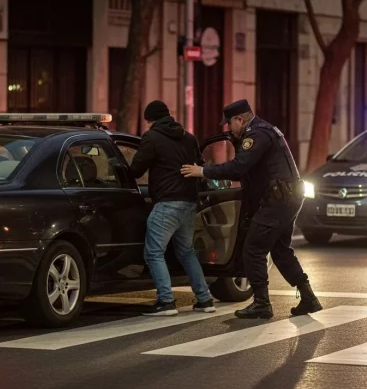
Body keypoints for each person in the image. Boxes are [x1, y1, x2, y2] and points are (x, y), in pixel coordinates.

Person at [181, 99, 322, 319]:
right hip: (286, 198)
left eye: (229, 124)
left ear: (240, 119)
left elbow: (239, 167)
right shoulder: (265, 131)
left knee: (253, 249)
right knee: (280, 250)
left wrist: (203, 172)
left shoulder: (256, 135)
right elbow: (246, 172)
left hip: (277, 201)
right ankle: (308, 297)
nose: (229, 129)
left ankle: (262, 304)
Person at [127, 100, 215, 316]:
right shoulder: (189, 137)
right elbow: (199, 165)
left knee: (153, 253)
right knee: (186, 252)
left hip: (166, 203)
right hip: (188, 201)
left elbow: (136, 170)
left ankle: (166, 301)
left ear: (150, 119)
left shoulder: (152, 137)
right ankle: (205, 299)